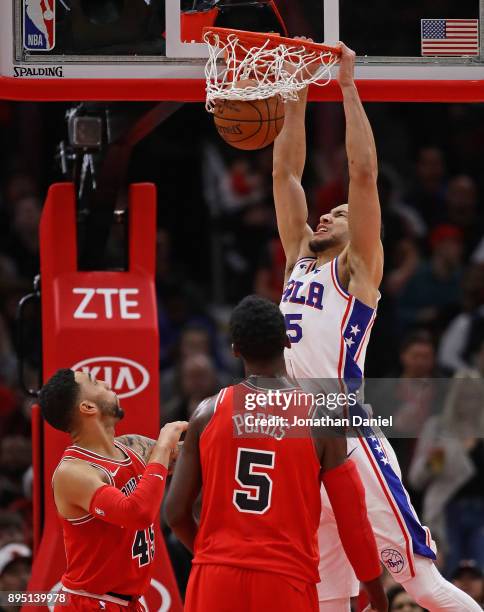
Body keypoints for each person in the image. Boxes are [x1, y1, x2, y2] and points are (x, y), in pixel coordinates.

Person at [273, 42, 481, 611]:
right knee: (328, 594)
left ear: (357, 231)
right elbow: (287, 173)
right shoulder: (300, 257)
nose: (324, 214)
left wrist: (344, 87)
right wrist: (293, 95)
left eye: (336, 214)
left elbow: (363, 174)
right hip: (298, 439)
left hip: (346, 428)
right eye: (325, 211)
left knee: (420, 583)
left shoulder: (358, 268)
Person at [165, 295, 387, 612]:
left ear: (235, 349)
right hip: (284, 581)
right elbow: (352, 519)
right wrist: (377, 592)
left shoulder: (207, 412)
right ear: (286, 340)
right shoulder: (319, 418)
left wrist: (209, 553)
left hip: (215, 576)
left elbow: (174, 513)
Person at [38, 368, 187, 611]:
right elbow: (136, 514)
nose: (107, 382)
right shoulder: (73, 472)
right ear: (87, 408)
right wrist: (163, 445)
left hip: (129, 603)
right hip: (89, 603)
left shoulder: (132, 447)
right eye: (96, 382)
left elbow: (189, 454)